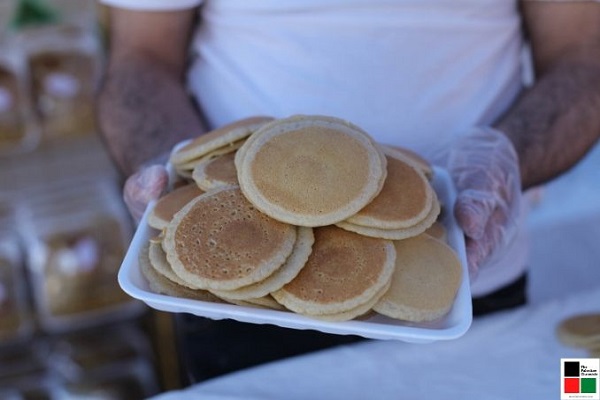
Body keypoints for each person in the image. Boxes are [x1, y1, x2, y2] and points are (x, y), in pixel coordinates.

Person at [97, 0, 600, 387]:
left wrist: (508, 158)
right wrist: (171, 165)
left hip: (463, 276)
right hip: (236, 296)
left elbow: (583, 58)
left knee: (570, 387)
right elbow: (141, 59)